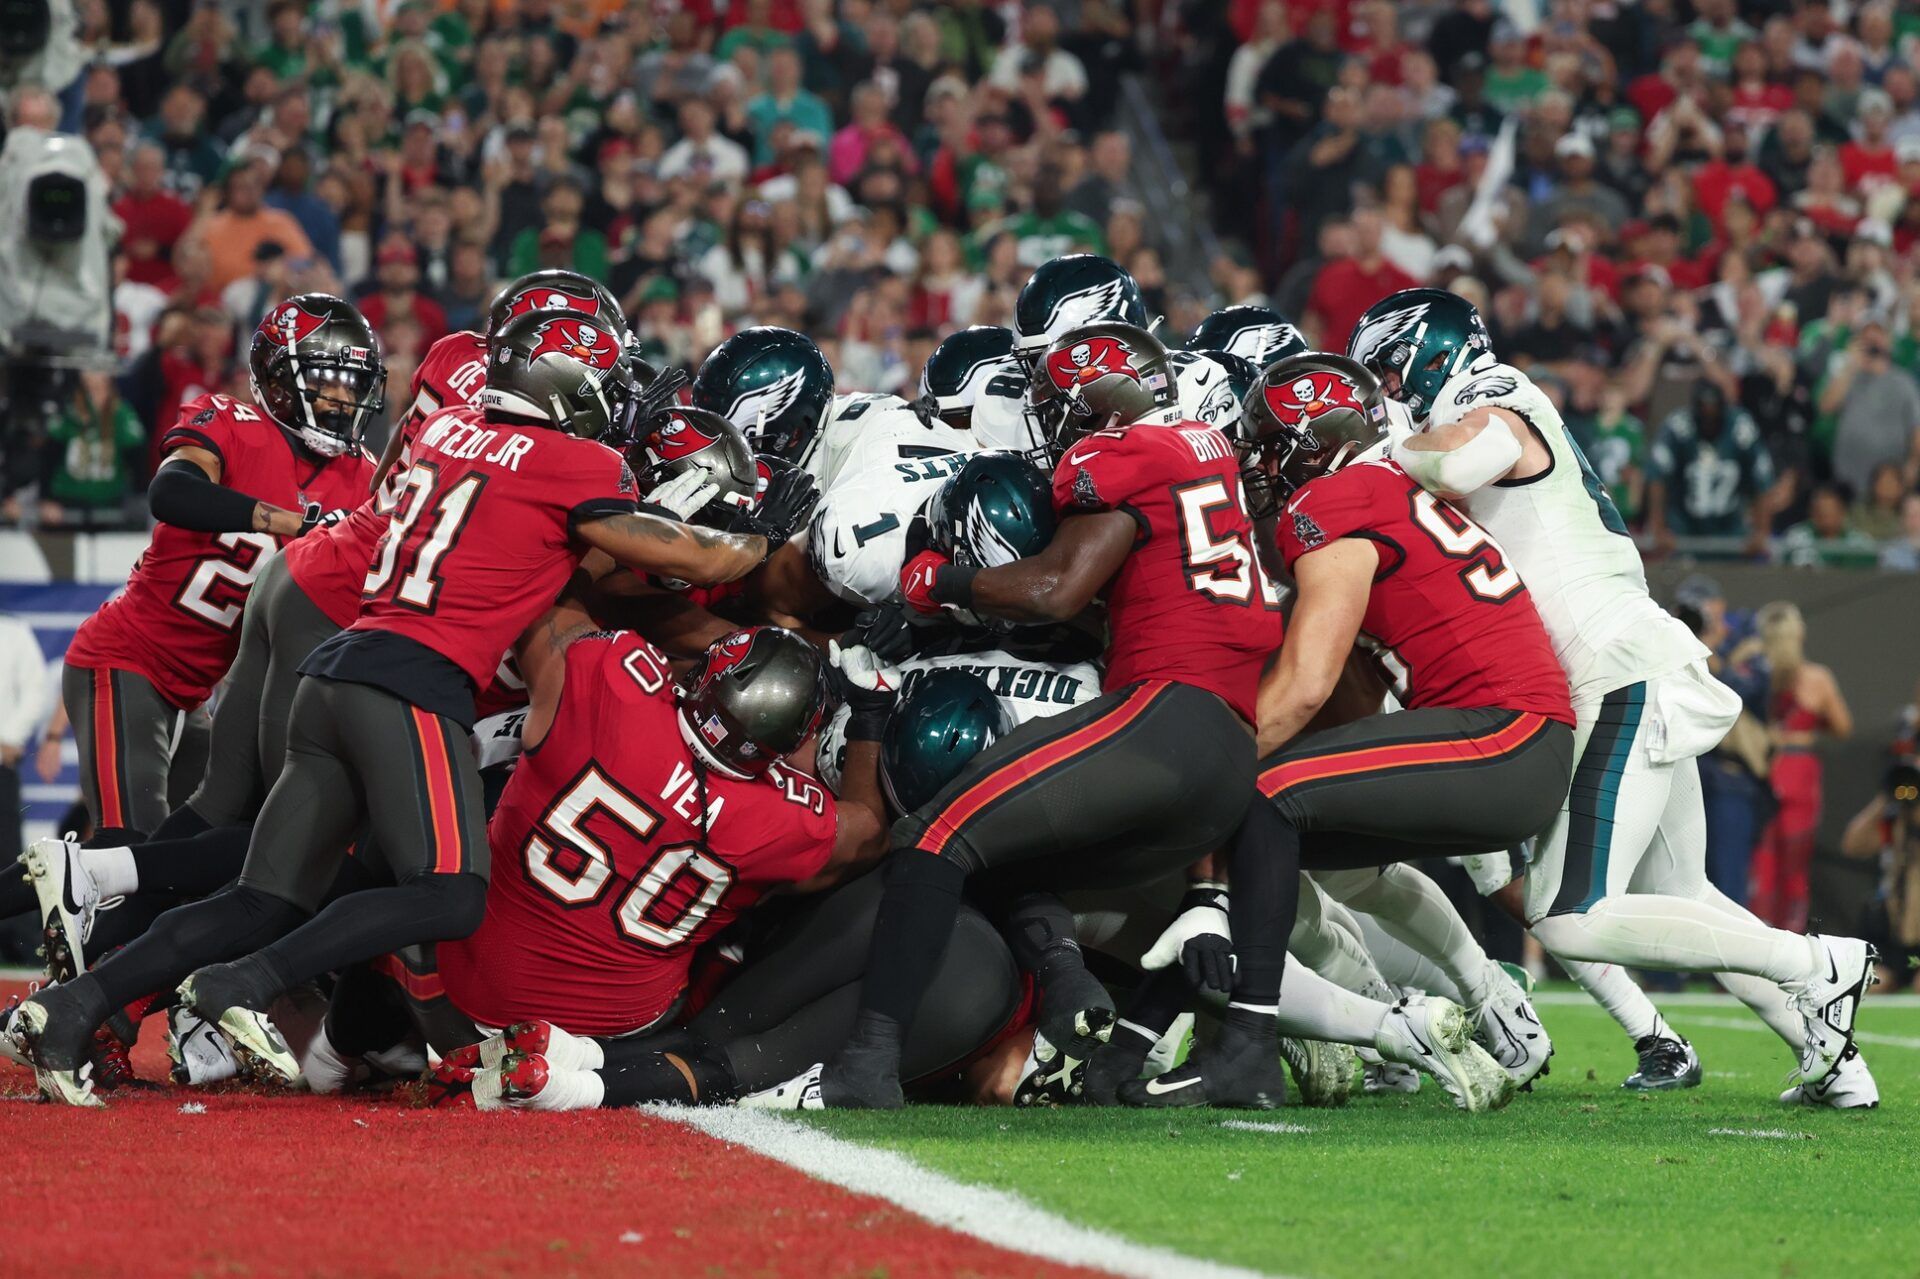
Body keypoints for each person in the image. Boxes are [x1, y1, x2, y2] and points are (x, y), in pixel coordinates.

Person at [15, 310, 810, 1107]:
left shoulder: (452, 425)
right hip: (410, 680)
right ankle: (239, 982)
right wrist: (755, 543)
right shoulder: (574, 463)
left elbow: (533, 540)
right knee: (451, 892)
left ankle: (70, 1007)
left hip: (340, 660)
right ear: (564, 385)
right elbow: (667, 551)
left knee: (264, 891)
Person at [1359, 287, 1877, 1104]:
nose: (1389, 394)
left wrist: (1383, 451)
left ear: (1434, 351)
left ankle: (1820, 962)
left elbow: (1458, 464)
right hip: (1633, 656)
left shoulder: (1490, 393)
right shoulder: (1482, 398)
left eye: (1391, 373)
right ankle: (1842, 1066)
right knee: (1685, 895)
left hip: (1614, 667)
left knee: (1571, 915)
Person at [751, 320, 1281, 1110]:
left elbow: (1057, 588)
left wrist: (944, 584)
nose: (1053, 420)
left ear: (1100, 401)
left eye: (1062, 402)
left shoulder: (1115, 453)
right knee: (1015, 852)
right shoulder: (1206, 445)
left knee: (937, 834)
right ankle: (1136, 1048)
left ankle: (867, 1060)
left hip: (1164, 716)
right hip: (1231, 747)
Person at [1147, 352, 1573, 1112]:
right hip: (1511, 735)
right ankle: (1290, 1034)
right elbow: (1358, 687)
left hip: (1502, 732)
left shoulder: (1330, 504)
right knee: (1265, 827)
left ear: (1312, 445)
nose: (1259, 464)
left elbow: (1308, 684)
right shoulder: (1389, 490)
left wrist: (1216, 760)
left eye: (1270, 445)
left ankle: (1251, 1040)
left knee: (1262, 794)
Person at [52, 295, 380, 848]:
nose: (343, 397)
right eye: (329, 380)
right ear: (278, 381)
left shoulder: (364, 475)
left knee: (190, 855)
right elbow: (171, 490)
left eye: (354, 383)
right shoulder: (232, 423)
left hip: (202, 694)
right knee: (127, 843)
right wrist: (289, 521)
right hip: (128, 657)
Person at [1748, 601, 1853, 932]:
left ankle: (1753, 945)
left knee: (1759, 865)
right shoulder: (1816, 679)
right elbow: (1842, 727)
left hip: (1761, 769)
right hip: (1799, 770)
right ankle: (1790, 947)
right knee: (1794, 867)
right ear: (1800, 634)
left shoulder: (1751, 673)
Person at [1839, 761, 1920, 996]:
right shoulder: (1894, 823)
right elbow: (1852, 845)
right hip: (1895, 936)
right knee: (1873, 982)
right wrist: (1886, 796)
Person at [0, 611, 49, 870]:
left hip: (1, 766)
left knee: (6, 860)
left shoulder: (13, 633)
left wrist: (9, 737)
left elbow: (35, 689)